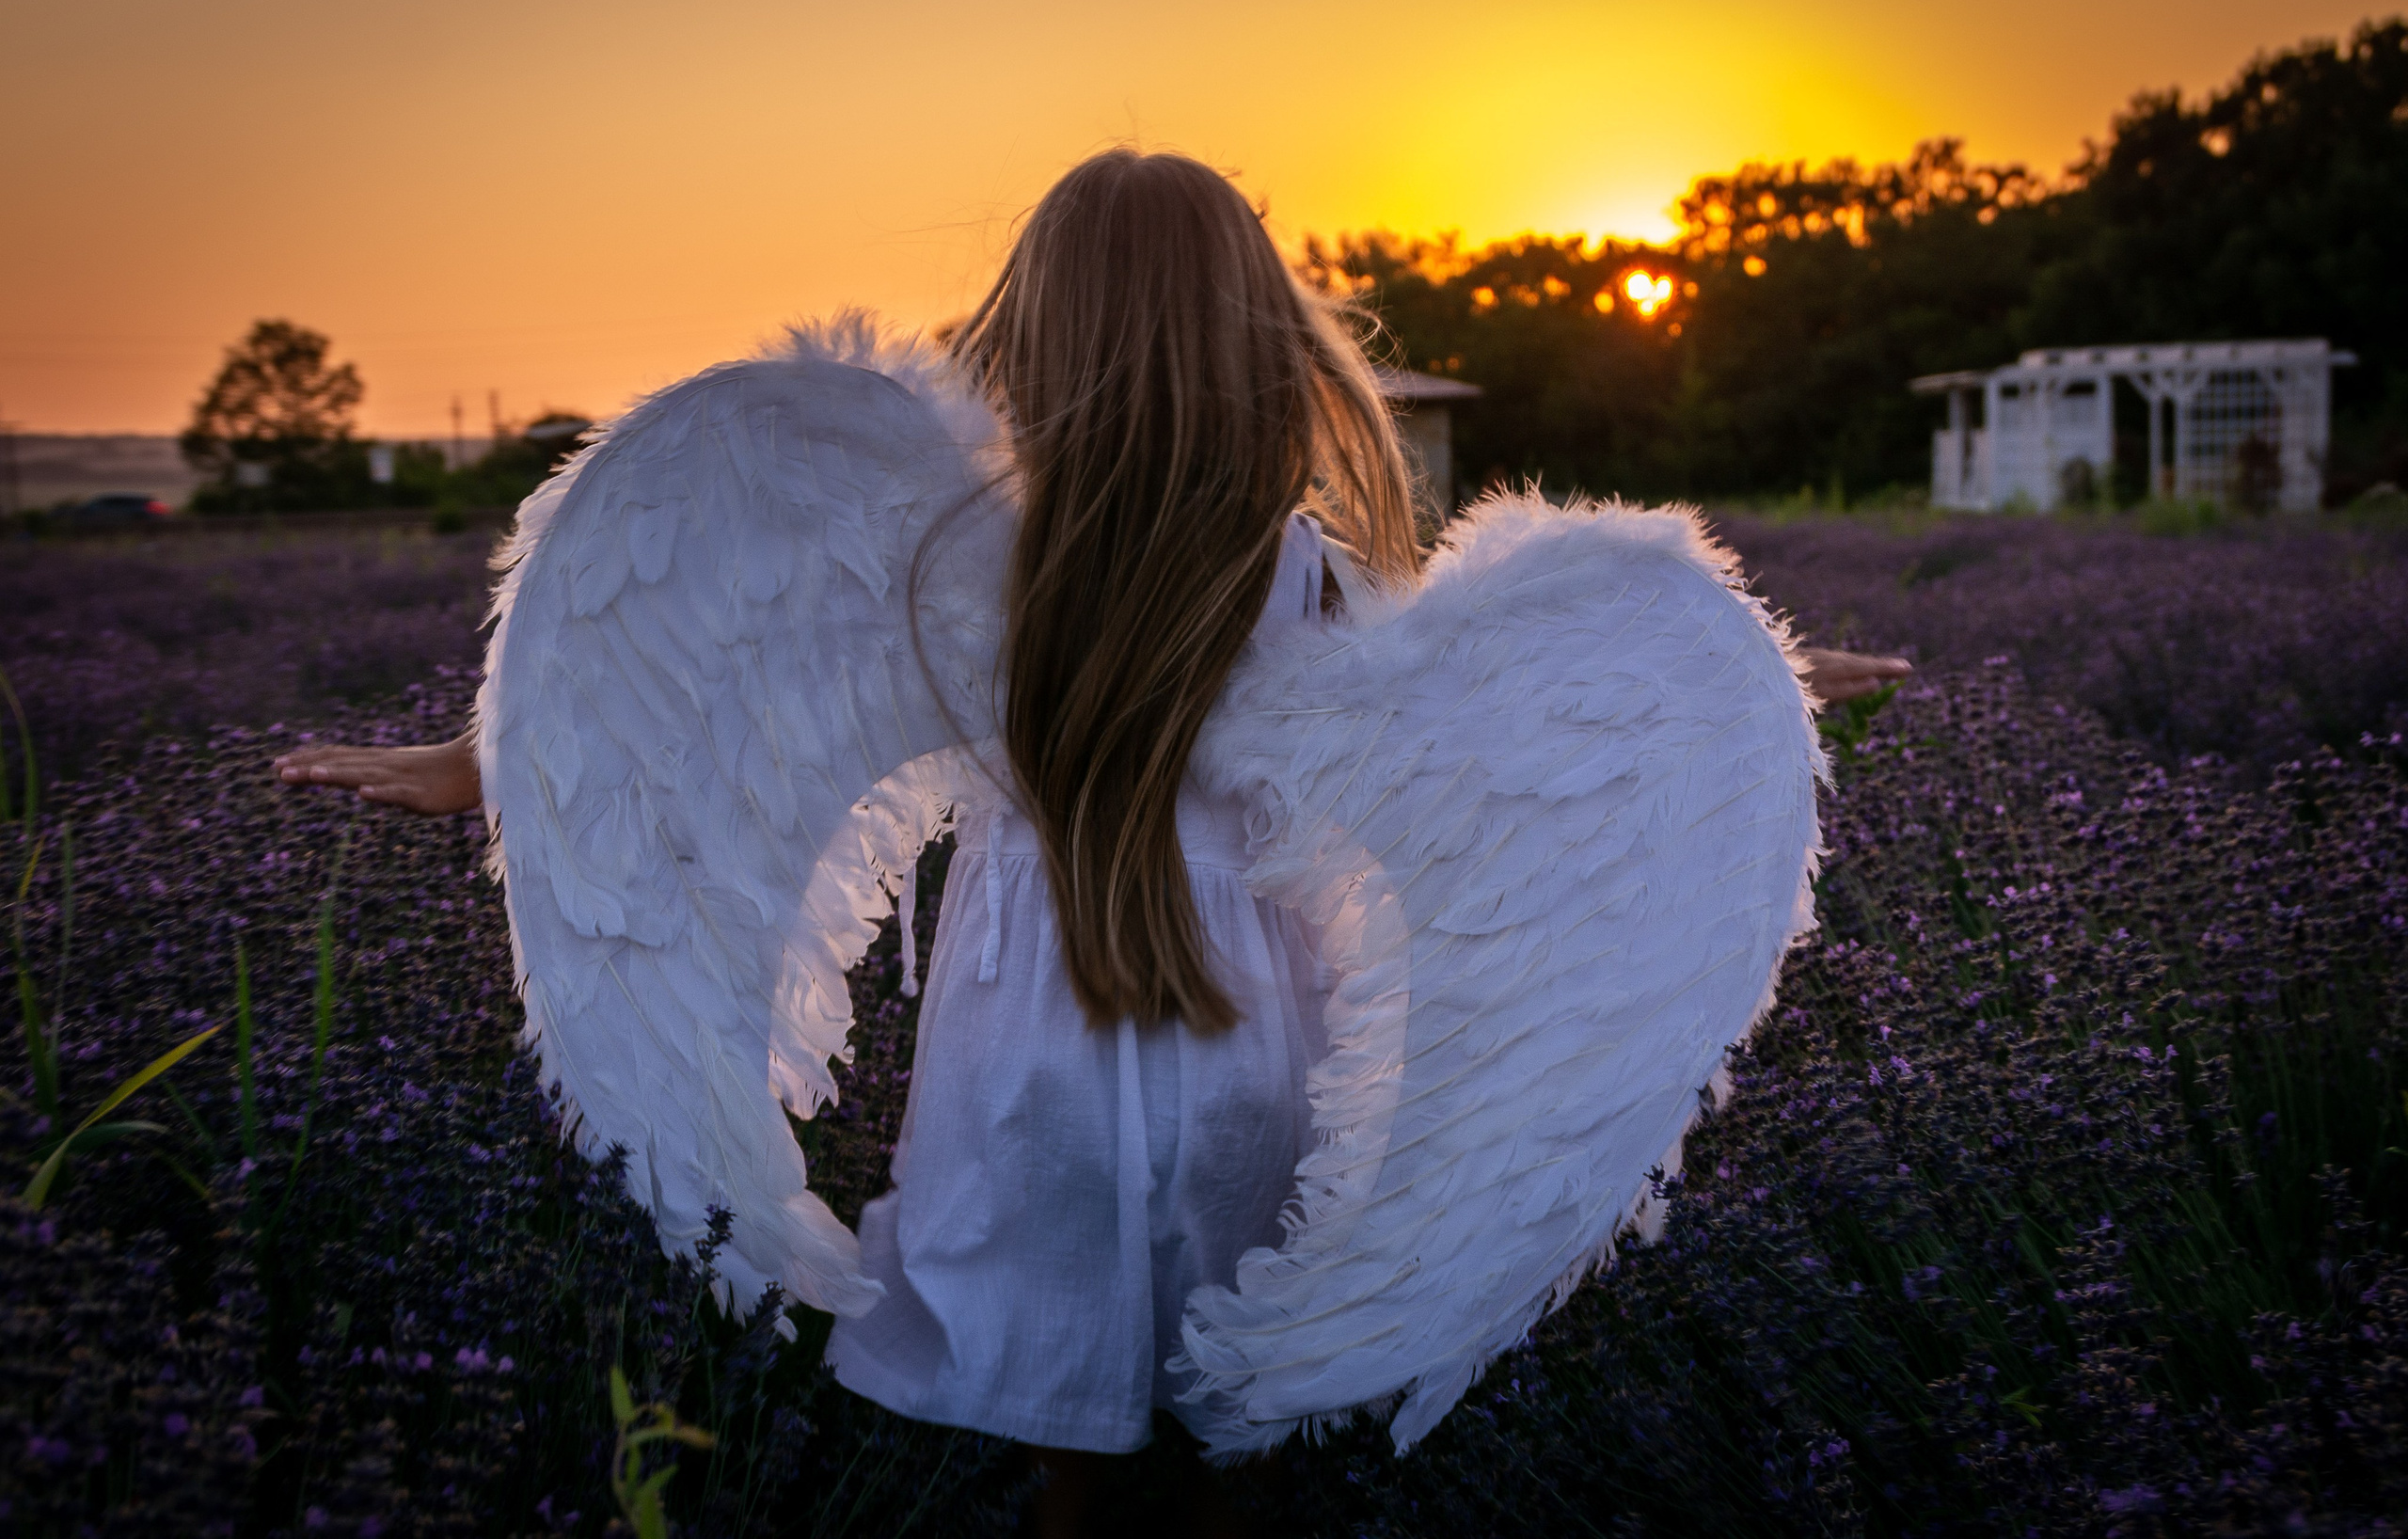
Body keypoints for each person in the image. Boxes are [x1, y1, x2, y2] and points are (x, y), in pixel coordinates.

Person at [275, 151, 1909, 1534]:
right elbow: (1503, 718)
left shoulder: (963, 565)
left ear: (1031, 337)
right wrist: (1748, 685)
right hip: (1259, 1053)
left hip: (1027, 1064)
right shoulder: (1309, 576)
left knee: (1076, 1447)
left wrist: (484, 762)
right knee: (1239, 1436)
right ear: (1266, 343)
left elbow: (704, 694)